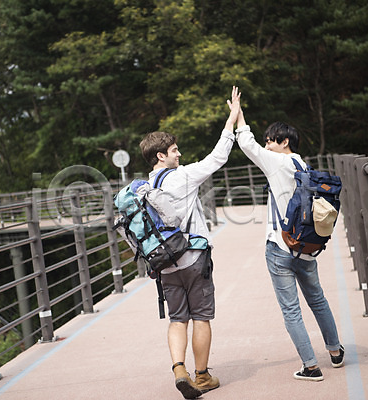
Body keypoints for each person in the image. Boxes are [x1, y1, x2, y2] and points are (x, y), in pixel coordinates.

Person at [139, 86, 241, 398]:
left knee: (177, 320)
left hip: (164, 264)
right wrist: (232, 119)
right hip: (194, 258)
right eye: (174, 150)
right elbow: (218, 157)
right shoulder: (183, 177)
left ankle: (179, 370)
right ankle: (202, 376)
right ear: (161, 155)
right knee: (201, 318)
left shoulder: (142, 188)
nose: (179, 154)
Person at [234, 109, 345, 381]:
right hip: (306, 248)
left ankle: (311, 366)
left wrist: (238, 115)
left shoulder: (277, 162)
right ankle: (335, 351)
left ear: (285, 142)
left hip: (279, 248)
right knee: (318, 300)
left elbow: (247, 144)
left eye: (270, 140)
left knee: (291, 310)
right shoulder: (303, 166)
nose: (266, 146)